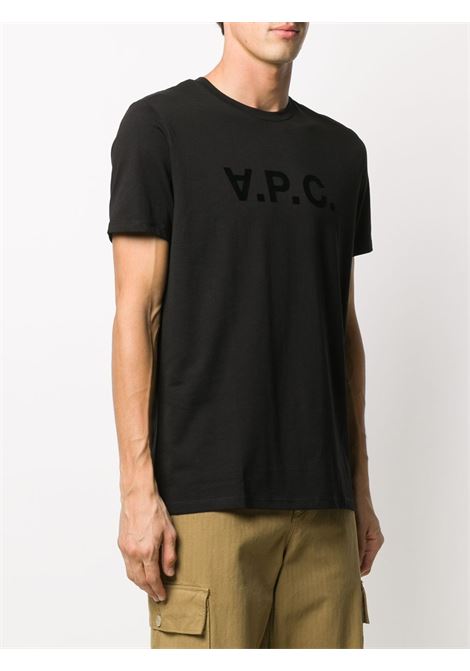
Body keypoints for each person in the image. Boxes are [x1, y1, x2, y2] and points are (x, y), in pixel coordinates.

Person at [107, 21, 384, 649]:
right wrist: (137, 490)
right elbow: (137, 314)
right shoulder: (160, 128)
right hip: (207, 502)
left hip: (325, 508)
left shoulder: (342, 152)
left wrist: (360, 489)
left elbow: (342, 327)